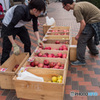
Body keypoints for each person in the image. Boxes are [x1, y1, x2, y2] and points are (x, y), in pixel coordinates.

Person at [1, 0, 46, 65]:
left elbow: (35, 27)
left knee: (27, 42)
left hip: (19, 25)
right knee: (7, 47)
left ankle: (28, 59)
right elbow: (9, 29)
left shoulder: (34, 14)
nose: (40, 13)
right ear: (34, 10)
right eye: (40, 12)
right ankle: (3, 66)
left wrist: (38, 39)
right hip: (8, 25)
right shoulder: (20, 12)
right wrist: (14, 44)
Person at [62, 0, 100, 65]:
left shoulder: (76, 9)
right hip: (96, 19)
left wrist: (78, 35)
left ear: (67, 5)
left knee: (82, 39)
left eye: (63, 7)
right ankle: (94, 51)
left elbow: (83, 24)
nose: (64, 8)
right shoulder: (78, 5)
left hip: (94, 21)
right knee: (87, 36)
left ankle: (81, 60)